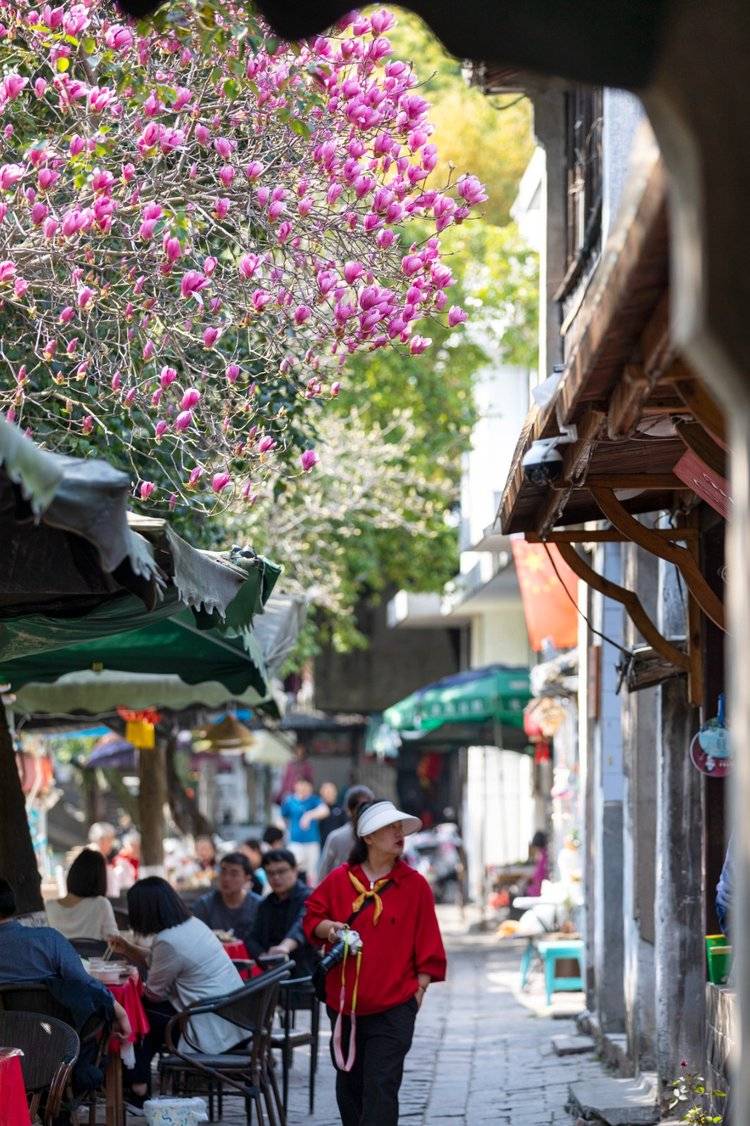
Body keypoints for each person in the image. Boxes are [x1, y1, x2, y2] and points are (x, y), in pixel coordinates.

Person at [304, 799, 446, 1126]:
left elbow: (429, 943)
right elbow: (312, 919)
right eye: (390, 827)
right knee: (349, 1086)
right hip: (344, 1008)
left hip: (395, 1006)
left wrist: (418, 991)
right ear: (368, 837)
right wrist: (333, 929)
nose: (400, 833)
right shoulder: (340, 880)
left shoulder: (415, 886)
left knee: (382, 1085)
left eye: (401, 827)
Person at [109, 877, 244, 1113]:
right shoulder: (191, 925)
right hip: (228, 1013)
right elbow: (159, 961)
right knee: (142, 1013)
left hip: (208, 1022)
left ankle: (137, 1087)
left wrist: (131, 981)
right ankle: (138, 1084)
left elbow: (153, 993)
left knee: (135, 1012)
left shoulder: (169, 941)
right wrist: (129, 949)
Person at [0, 877, 131, 1109]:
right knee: (89, 1010)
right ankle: (75, 1074)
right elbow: (85, 981)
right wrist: (120, 1012)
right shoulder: (47, 939)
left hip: (5, 1044)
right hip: (56, 1040)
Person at [246, 849, 315, 975]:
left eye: (281, 871)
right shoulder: (266, 904)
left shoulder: (310, 897)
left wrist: (284, 947)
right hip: (273, 974)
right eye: (270, 873)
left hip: (305, 974)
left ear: (295, 870)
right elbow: (251, 937)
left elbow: (303, 923)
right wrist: (265, 957)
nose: (276, 877)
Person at [46, 848, 118, 941]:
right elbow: (114, 941)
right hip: (93, 955)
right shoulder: (100, 904)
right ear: (99, 879)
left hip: (57, 956)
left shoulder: (49, 906)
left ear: (73, 873)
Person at [192, 852, 262, 947]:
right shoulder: (204, 905)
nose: (226, 878)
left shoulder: (259, 905)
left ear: (247, 878)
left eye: (234, 874)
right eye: (223, 872)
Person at [318, 785, 374, 881]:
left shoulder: (380, 836)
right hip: (343, 890)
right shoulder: (337, 837)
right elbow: (323, 875)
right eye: (359, 807)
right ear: (349, 810)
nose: (362, 811)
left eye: (366, 807)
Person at [281, 777, 329, 884]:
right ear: (296, 786)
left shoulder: (314, 800)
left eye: (306, 785)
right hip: (295, 842)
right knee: (293, 868)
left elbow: (325, 810)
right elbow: (283, 818)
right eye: (301, 785)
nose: (304, 788)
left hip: (312, 843)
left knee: (312, 873)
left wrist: (309, 815)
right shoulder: (290, 801)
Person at [525, 830, 550, 897]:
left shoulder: (542, 854)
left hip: (539, 886)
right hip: (539, 884)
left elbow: (540, 872)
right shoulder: (543, 853)